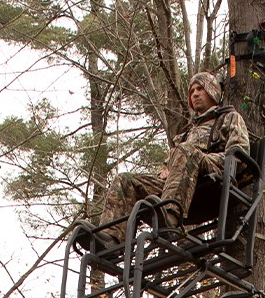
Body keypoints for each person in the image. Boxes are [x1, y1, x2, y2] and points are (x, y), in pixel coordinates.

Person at [77, 72, 249, 250]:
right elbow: (168, 167)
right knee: (126, 180)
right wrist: (167, 169)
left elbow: (238, 156)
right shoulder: (186, 134)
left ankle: (170, 215)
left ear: (212, 92)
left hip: (212, 181)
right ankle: (111, 239)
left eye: (200, 89)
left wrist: (198, 157)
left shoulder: (229, 118)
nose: (195, 94)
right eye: (191, 91)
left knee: (186, 151)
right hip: (179, 186)